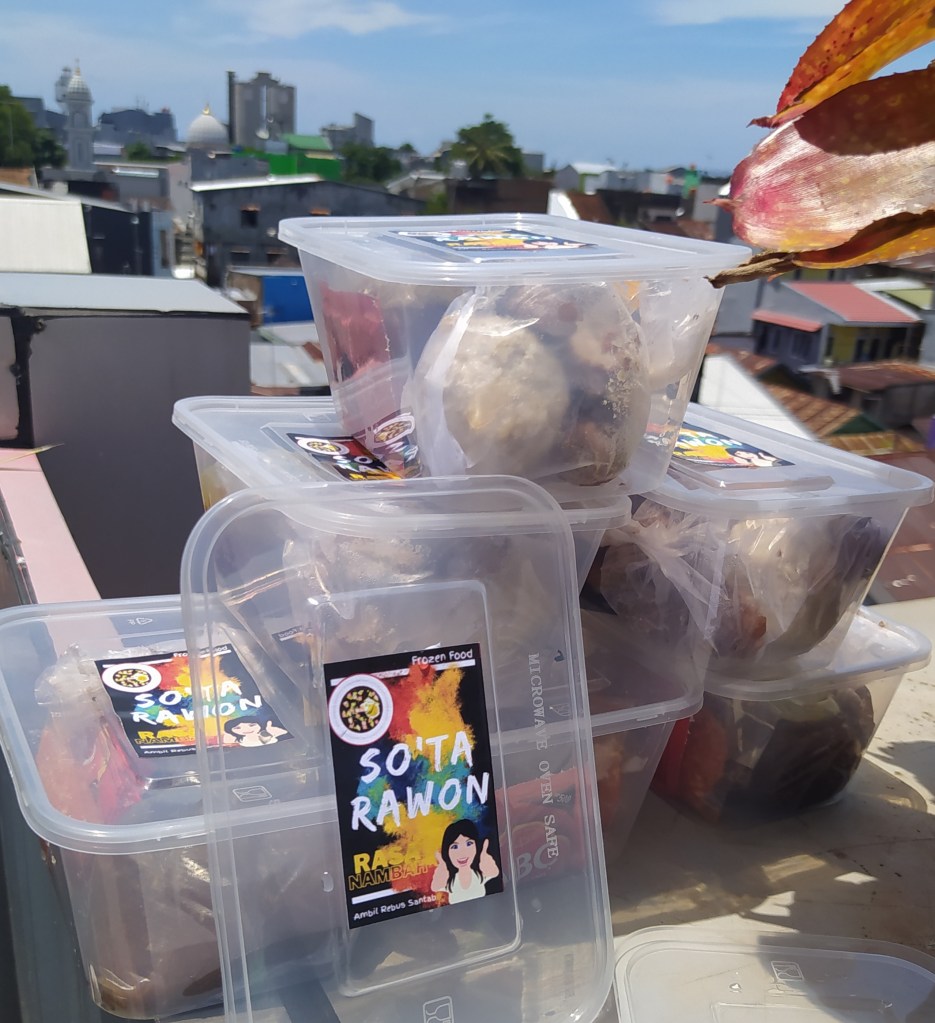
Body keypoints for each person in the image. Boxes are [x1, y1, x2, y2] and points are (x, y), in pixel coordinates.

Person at [430, 819, 499, 904]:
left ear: (476, 846)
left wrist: (488, 865)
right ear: (447, 852)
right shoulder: (450, 880)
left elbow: (494, 873)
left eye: (469, 844)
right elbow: (435, 888)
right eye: (455, 847)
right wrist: (441, 873)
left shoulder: (479, 874)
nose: (462, 852)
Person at [223, 717, 288, 747]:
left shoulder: (271, 732)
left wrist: (279, 733)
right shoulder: (237, 739)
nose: (246, 729)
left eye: (251, 725)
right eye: (237, 728)